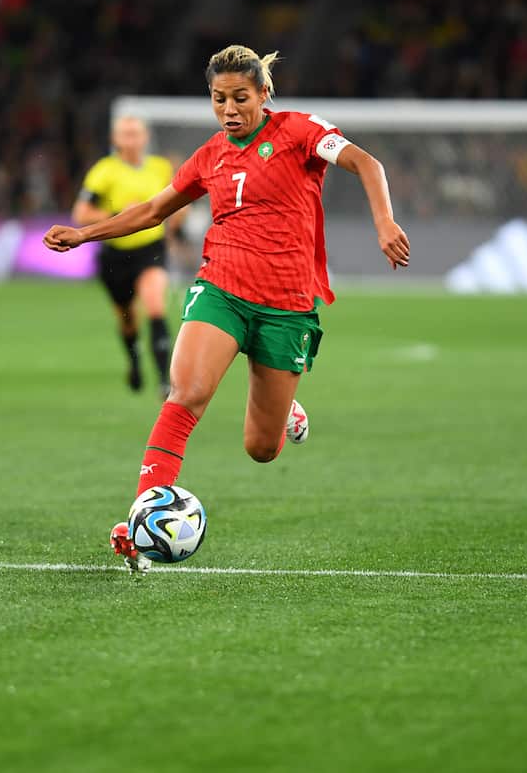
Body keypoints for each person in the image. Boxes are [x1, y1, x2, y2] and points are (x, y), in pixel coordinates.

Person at [45, 45, 410, 572]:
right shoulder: (210, 155)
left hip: (286, 306)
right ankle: (142, 521)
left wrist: (384, 221)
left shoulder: (301, 131)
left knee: (262, 449)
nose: (230, 109)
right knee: (187, 391)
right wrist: (84, 233)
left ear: (264, 94)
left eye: (241, 97)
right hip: (222, 287)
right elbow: (152, 210)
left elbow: (365, 163)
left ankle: (285, 408)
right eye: (219, 100)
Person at [73, 116, 180, 399]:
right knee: (127, 319)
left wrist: (174, 228)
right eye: (125, 134)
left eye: (136, 133)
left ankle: (164, 381)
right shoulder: (104, 171)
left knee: (155, 305)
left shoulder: (160, 168)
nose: (131, 139)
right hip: (115, 255)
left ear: (145, 138)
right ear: (115, 140)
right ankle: (134, 362)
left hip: (150, 250)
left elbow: (177, 204)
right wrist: (120, 216)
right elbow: (81, 213)